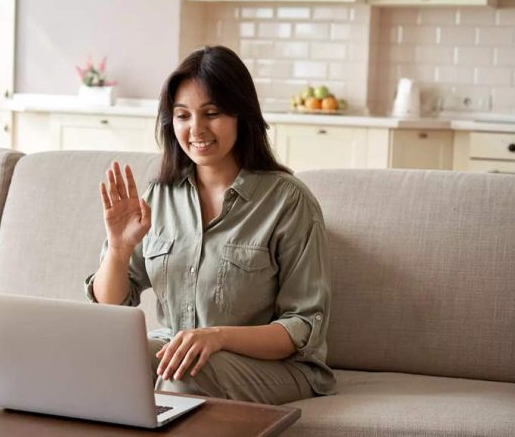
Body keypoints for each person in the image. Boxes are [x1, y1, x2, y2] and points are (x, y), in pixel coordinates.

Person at [84, 45, 335, 405]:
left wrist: (217, 336)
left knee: (184, 373)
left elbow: (303, 326)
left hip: (276, 366)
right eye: (182, 115)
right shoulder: (160, 197)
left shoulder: (288, 201)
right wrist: (119, 250)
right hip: (180, 350)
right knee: (101, 357)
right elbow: (112, 306)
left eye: (212, 113)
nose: (196, 129)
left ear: (241, 115)